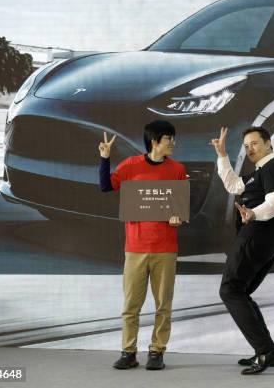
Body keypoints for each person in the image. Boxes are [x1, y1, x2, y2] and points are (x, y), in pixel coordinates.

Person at [98, 120, 187, 371]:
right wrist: (105, 158)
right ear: (155, 141)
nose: (173, 143)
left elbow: (179, 211)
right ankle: (128, 352)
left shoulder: (178, 169)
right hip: (135, 248)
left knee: (163, 305)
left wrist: (177, 217)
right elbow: (106, 186)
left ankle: (157, 351)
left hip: (166, 248)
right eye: (169, 139)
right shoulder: (130, 166)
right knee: (130, 306)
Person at [210, 126, 274, 375]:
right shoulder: (259, 172)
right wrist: (222, 154)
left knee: (230, 289)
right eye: (246, 146)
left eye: (255, 144)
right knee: (240, 291)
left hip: (258, 234)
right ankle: (269, 351)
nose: (250, 149)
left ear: (269, 143)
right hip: (266, 238)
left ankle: (265, 350)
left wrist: (253, 213)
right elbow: (234, 185)